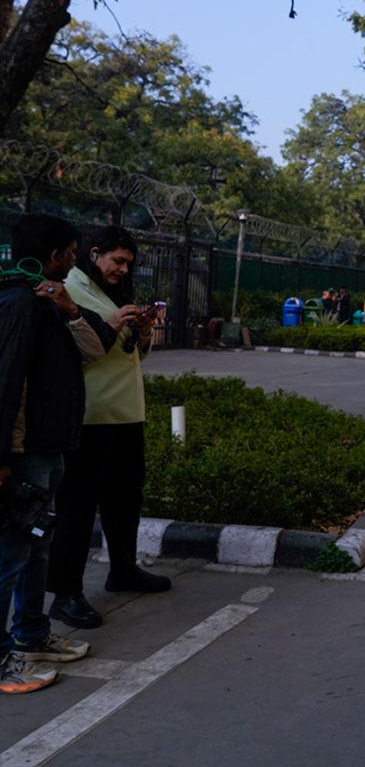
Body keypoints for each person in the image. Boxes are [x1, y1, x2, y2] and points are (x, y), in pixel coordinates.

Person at [1, 216, 112, 693]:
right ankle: (5, 658)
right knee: (9, 557)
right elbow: (5, 381)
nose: (74, 260)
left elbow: (95, 351)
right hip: (24, 452)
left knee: (37, 547)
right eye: (70, 253)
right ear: (55, 255)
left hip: (51, 447)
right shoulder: (19, 304)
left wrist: (69, 308)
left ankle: (32, 636)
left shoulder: (49, 301)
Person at [48, 225, 172, 631]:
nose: (122, 270)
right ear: (94, 253)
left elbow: (128, 352)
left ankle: (123, 568)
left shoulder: (110, 292)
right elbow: (85, 347)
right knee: (78, 507)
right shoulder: (72, 290)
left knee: (125, 498)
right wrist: (116, 321)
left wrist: (141, 331)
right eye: (117, 261)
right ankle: (65, 593)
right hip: (90, 413)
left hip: (126, 412)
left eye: (128, 264)